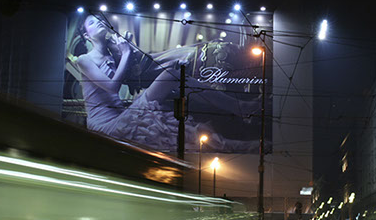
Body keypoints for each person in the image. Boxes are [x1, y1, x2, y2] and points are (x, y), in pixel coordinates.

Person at [75, 15, 258, 152]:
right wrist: (126, 53)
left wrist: (126, 49)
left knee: (175, 88)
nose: (99, 22)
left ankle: (241, 130)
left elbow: (137, 69)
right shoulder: (84, 59)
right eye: (92, 22)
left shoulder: (113, 52)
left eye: (100, 19)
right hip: (106, 127)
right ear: (86, 35)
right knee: (171, 78)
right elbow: (112, 87)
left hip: (122, 115)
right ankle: (239, 112)